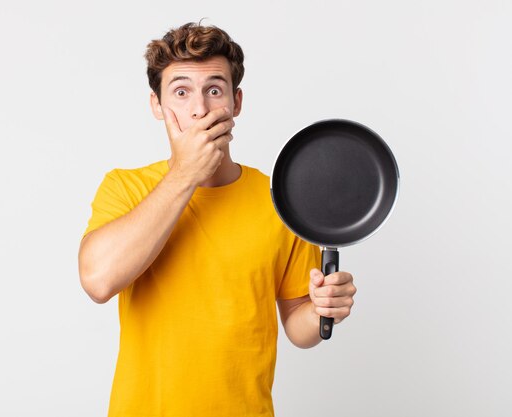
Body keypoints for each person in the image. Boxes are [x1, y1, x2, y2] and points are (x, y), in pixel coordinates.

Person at [78, 22, 357, 417]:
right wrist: (186, 174)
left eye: (214, 89)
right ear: (157, 105)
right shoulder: (125, 187)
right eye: (180, 92)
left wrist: (323, 309)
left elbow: (298, 327)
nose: (199, 108)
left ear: (236, 101)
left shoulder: (277, 199)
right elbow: (98, 281)